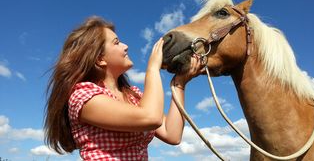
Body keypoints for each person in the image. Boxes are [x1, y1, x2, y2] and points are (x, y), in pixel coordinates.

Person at [44, 16, 203, 160]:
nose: (126, 46)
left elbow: (172, 134)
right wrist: (152, 68)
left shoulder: (133, 95)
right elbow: (151, 118)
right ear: (100, 59)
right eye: (117, 42)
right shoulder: (84, 95)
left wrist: (180, 83)